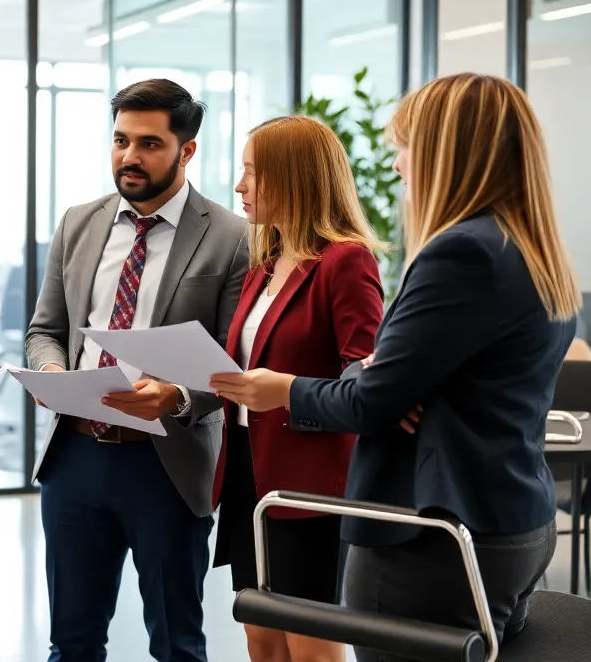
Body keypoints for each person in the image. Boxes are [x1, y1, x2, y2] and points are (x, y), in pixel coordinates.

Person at [210, 74, 579, 661]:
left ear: (445, 152)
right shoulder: (529, 249)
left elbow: (370, 396)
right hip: (508, 513)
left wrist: (300, 388)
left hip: (432, 529)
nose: (399, 166)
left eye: (405, 149)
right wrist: (380, 379)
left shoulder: (460, 252)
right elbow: (383, 378)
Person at [26, 78, 248, 662]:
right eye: (120, 140)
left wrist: (177, 395)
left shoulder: (231, 237)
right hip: (74, 459)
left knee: (177, 643)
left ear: (187, 149)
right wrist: (49, 372)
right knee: (71, 641)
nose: (129, 156)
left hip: (166, 465)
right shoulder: (79, 223)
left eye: (149, 143)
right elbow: (45, 330)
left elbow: (236, 358)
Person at [212, 115, 383, 662]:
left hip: (311, 487)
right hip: (246, 472)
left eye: (252, 173)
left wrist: (286, 391)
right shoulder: (262, 266)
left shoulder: (346, 261)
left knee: (310, 645)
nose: (240, 186)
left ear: (296, 178)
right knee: (260, 633)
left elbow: (365, 382)